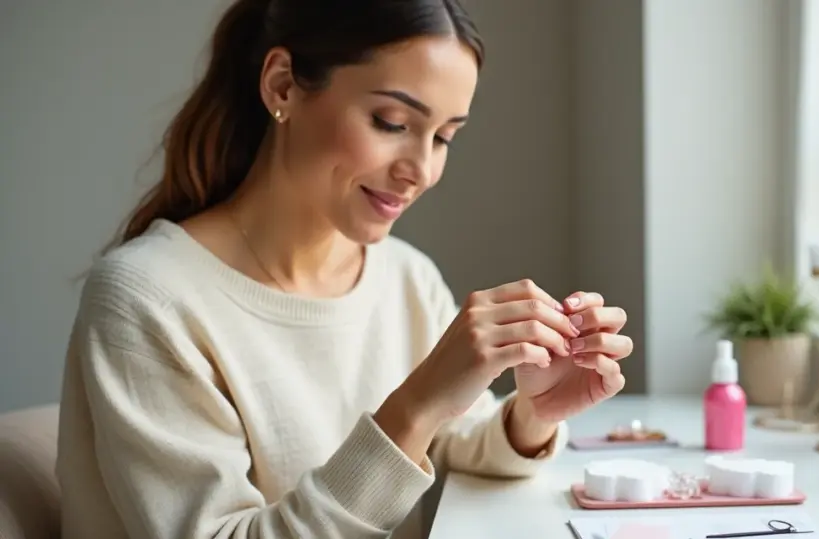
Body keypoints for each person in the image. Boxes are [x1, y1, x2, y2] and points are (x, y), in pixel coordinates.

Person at [55, 1, 634, 538]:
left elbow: (455, 447)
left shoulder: (405, 276)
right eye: (392, 122)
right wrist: (417, 402)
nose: (421, 170)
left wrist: (531, 417)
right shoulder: (147, 298)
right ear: (282, 84)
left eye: (444, 137)